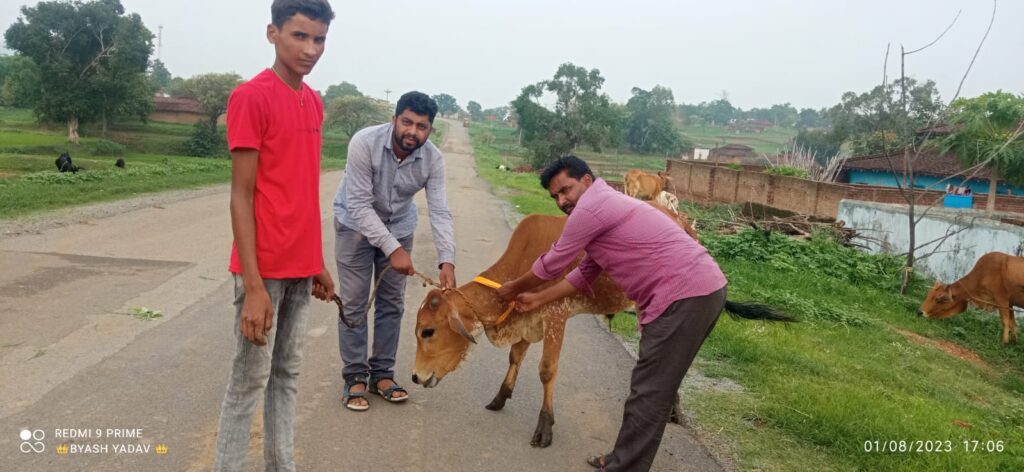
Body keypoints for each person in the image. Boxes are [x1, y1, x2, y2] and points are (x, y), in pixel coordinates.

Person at [497, 156, 728, 472]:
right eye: (555, 197)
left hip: (684, 295)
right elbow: (585, 271)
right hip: (701, 290)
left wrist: (512, 288)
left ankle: (625, 465)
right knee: (651, 390)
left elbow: (552, 263)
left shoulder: (591, 208)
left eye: (566, 190)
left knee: (648, 393)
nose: (562, 201)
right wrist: (538, 298)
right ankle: (623, 458)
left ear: (587, 181)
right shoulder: (606, 204)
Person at [213, 1, 335, 471]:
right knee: (248, 381)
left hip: (301, 268)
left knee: (287, 374)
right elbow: (241, 196)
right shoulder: (251, 97)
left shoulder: (314, 100)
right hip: (262, 271)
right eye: (299, 36)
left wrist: (316, 261)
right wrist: (254, 287)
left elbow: (302, 189)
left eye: (319, 39)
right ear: (273, 33)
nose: (310, 49)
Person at [332, 91, 456, 411]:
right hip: (354, 227)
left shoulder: (433, 160)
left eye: (422, 126)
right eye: (407, 122)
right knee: (355, 303)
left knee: (391, 305)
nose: (412, 131)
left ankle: (382, 375)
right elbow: (359, 205)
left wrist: (447, 259)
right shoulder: (364, 143)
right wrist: (393, 249)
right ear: (394, 120)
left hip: (399, 225)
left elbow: (440, 210)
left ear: (430, 130)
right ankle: (355, 376)